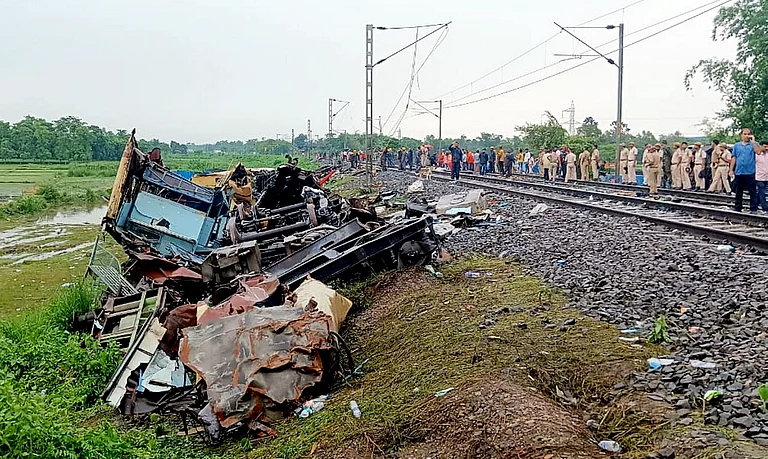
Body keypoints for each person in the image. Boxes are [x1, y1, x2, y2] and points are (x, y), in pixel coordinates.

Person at [730, 128, 761, 212]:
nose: (746, 136)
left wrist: (753, 141)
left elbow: (758, 152)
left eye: (748, 134)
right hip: (739, 171)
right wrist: (731, 169)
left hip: (750, 171)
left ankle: (753, 207)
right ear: (741, 135)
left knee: (752, 190)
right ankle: (738, 207)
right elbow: (734, 157)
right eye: (745, 134)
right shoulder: (737, 145)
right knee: (738, 191)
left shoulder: (754, 144)